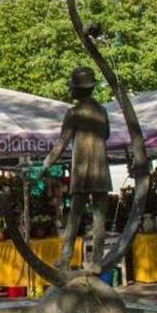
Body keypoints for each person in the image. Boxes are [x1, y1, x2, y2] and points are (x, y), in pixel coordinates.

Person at [39, 66, 112, 275]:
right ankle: (97, 261)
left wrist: (46, 163)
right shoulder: (102, 110)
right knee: (99, 219)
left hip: (82, 171)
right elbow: (106, 135)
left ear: (77, 90)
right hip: (101, 171)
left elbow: (62, 143)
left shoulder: (73, 113)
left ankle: (65, 259)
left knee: (75, 217)